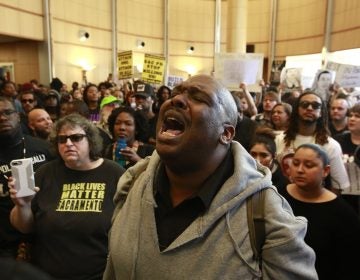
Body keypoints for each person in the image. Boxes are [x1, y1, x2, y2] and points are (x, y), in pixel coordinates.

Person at [103, 75, 317, 279]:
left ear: (226, 133)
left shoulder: (265, 215)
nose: (176, 100)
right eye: (176, 94)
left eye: (199, 98)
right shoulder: (133, 183)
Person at [9, 113, 125, 280]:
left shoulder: (114, 173)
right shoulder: (45, 173)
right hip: (47, 273)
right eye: (62, 140)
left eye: (76, 138)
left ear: (90, 140)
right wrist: (22, 205)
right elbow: (24, 228)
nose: (68, 144)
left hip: (100, 274)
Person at [279, 143, 360, 279]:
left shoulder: (343, 214)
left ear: (326, 171)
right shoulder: (277, 196)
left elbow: (350, 265)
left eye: (309, 165)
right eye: (295, 163)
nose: (300, 170)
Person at [0, 97, 54, 259]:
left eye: (7, 112)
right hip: (5, 246)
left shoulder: (45, 149)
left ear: (18, 115)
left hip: (45, 239)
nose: (2, 118)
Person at [275, 90, 349, 193]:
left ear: (321, 112)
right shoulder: (280, 139)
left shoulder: (331, 146)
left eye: (315, 105)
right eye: (304, 105)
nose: (309, 108)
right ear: (297, 109)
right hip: (281, 200)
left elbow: (337, 186)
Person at [249, 127, 289, 192]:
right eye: (253, 154)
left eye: (264, 155)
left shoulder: (283, 182)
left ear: (274, 156)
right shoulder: (242, 173)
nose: (257, 160)